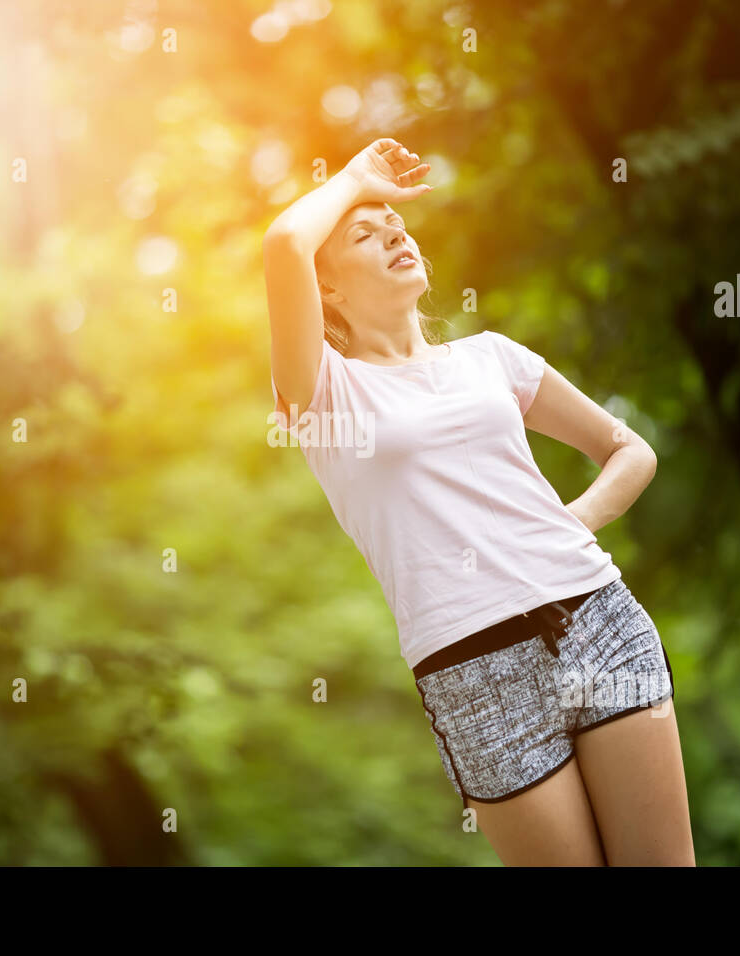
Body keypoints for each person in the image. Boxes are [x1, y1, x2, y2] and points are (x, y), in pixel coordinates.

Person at [263, 138, 695, 866]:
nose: (395, 232)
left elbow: (631, 451)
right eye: (364, 235)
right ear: (326, 289)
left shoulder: (491, 357)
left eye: (396, 224)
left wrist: (572, 523)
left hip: (598, 621)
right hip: (472, 671)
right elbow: (283, 244)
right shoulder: (322, 394)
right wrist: (358, 180)